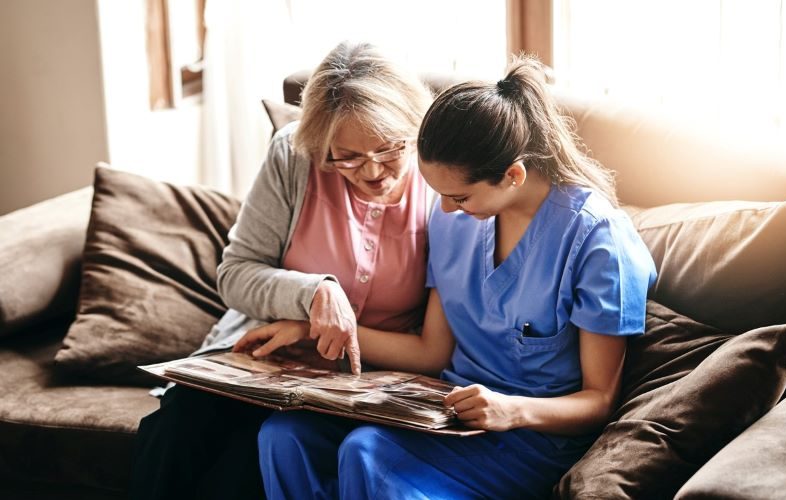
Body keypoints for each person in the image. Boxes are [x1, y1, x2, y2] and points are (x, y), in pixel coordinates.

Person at [255, 56, 657, 499]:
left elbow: (599, 401)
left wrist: (510, 410)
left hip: (531, 435)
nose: (443, 210)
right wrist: (310, 331)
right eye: (440, 194)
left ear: (513, 175)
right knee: (285, 435)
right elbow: (432, 351)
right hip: (442, 409)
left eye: (459, 196)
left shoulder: (598, 241)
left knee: (366, 453)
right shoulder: (453, 219)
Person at [129, 41, 435, 500]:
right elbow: (235, 273)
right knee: (177, 426)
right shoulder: (293, 157)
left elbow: (437, 347)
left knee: (245, 463)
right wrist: (313, 294)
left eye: (390, 149)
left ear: (415, 129)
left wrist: (309, 330)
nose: (373, 171)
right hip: (259, 359)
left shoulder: (444, 184)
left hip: (359, 378)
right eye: (346, 156)